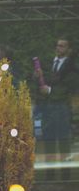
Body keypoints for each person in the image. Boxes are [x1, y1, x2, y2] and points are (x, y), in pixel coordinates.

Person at [34, 38, 78, 167]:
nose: (59, 48)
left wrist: (50, 90)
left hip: (62, 106)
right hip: (48, 107)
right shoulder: (51, 63)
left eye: (62, 46)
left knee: (63, 134)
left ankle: (65, 164)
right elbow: (44, 80)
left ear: (68, 49)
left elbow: (69, 85)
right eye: (58, 45)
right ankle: (50, 163)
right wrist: (37, 77)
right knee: (49, 135)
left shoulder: (71, 66)